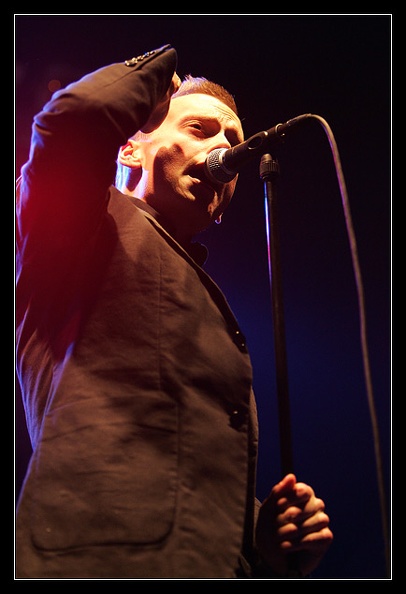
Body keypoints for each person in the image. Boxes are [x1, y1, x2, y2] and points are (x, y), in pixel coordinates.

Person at [15, 43, 333, 579]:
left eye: (233, 139)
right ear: (130, 150)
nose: (225, 150)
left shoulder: (201, 293)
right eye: (200, 129)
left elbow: (174, 462)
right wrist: (161, 72)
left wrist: (259, 539)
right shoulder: (76, 224)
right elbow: (76, 117)